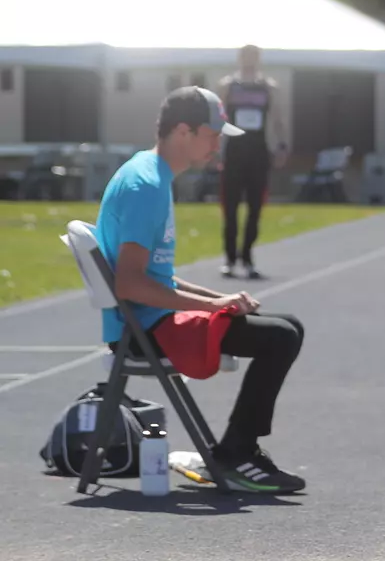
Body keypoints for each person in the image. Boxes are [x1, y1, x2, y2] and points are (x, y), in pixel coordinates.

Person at [94, 87, 306, 493]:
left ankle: (236, 450)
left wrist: (216, 301)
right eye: (212, 135)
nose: (217, 145)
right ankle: (237, 455)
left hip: (152, 320)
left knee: (290, 326)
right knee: (280, 337)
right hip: (142, 331)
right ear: (183, 132)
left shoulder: (152, 175)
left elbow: (156, 277)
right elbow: (130, 284)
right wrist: (213, 306)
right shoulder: (145, 185)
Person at [217, 45, 289, 279]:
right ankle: (230, 259)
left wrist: (281, 146)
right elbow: (218, 119)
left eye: (253, 57)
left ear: (258, 59)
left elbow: (277, 119)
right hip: (234, 152)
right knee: (230, 207)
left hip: (258, 152)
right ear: (239, 59)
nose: (249, 61)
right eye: (246, 57)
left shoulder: (268, 87)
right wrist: (214, 147)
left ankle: (247, 258)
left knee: (255, 208)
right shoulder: (228, 85)